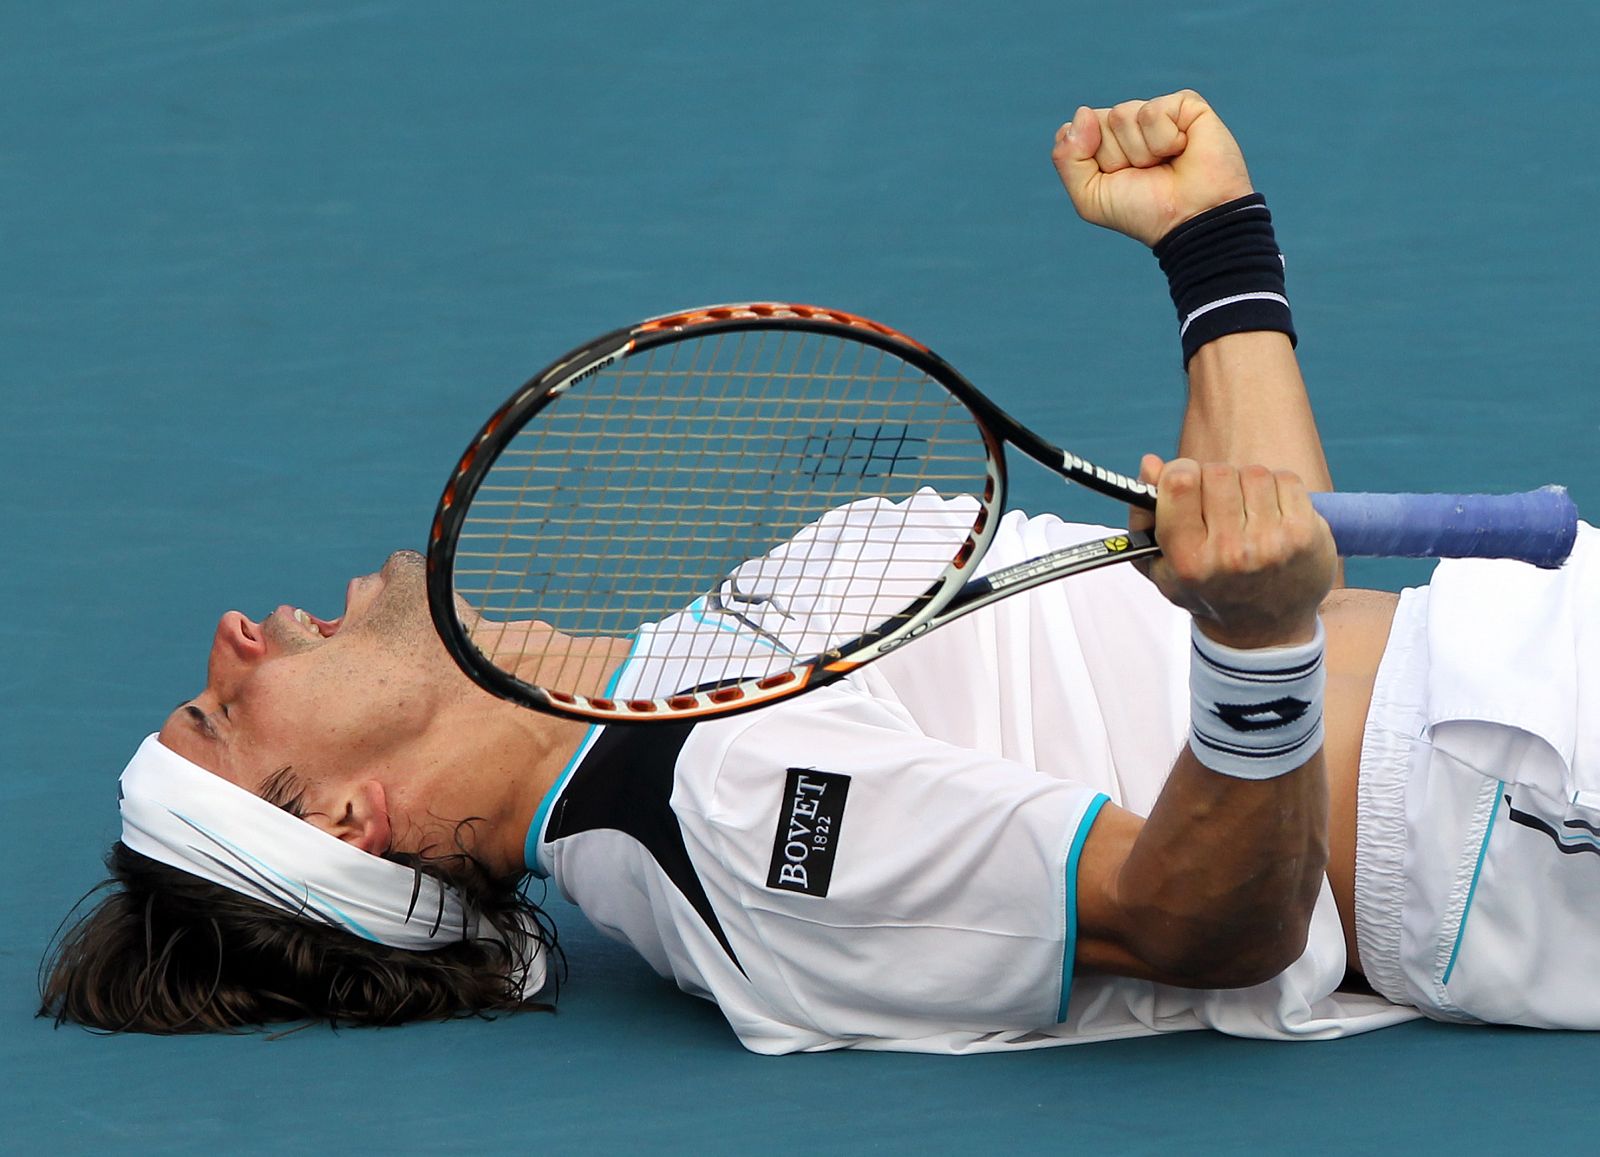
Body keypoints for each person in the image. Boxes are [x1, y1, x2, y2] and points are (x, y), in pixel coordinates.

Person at [39, 90, 1600, 1052]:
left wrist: (1216, 261)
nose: (237, 636)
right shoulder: (730, 819)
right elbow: (1201, 919)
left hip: (1513, 670)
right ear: (346, 819)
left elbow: (1282, 574)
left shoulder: (693, 680)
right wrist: (1254, 658)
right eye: (223, 711)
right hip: (1518, 792)